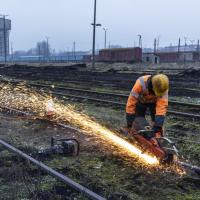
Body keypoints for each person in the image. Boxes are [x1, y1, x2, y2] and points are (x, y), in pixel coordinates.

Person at [126, 74, 169, 138]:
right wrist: (130, 123)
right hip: (141, 101)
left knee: (157, 122)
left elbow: (161, 107)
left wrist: (158, 126)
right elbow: (131, 103)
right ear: (153, 87)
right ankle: (138, 135)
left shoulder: (163, 88)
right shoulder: (140, 83)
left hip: (154, 103)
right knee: (139, 119)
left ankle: (158, 138)